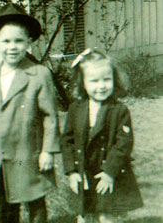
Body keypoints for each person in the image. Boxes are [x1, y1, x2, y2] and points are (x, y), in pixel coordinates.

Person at [0, 3, 61, 223]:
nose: (12, 47)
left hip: (29, 154)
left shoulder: (38, 75)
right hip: (0, 158)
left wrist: (48, 151)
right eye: (6, 41)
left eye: (18, 41)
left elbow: (50, 116)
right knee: (4, 209)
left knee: (35, 205)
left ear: (29, 41)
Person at [61, 48, 143, 223]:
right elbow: (67, 141)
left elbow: (123, 144)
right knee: (83, 214)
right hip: (83, 170)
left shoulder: (119, 110)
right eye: (94, 81)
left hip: (107, 171)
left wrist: (109, 173)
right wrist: (71, 171)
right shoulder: (76, 109)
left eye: (107, 79)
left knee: (107, 215)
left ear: (114, 79)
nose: (101, 86)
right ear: (83, 83)